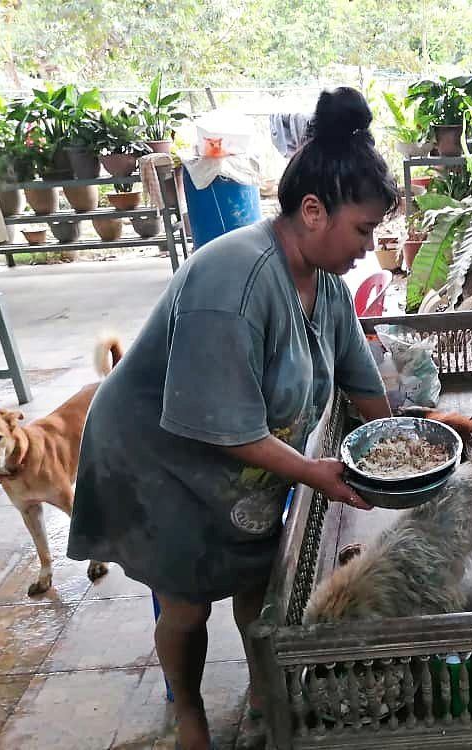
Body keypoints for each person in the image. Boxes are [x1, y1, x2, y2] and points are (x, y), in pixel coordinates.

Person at [67, 87, 397, 750]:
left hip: (237, 461)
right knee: (187, 601)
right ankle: (189, 714)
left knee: (255, 581)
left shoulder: (323, 282)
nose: (372, 244)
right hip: (158, 458)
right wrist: (316, 473)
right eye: (363, 228)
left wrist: (408, 438)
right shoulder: (236, 280)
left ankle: (261, 693)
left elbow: (361, 379)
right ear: (312, 211)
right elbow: (225, 427)